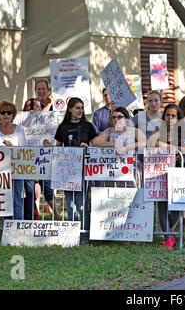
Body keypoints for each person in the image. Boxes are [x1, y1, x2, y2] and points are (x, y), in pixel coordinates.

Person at [149, 104, 185, 248]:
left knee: (178, 206)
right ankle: (168, 238)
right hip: (161, 172)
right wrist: (176, 149)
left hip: (180, 173)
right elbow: (151, 143)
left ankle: (168, 231)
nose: (170, 118)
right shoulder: (158, 130)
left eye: (174, 116)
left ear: (178, 118)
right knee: (162, 205)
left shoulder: (184, 130)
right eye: (168, 115)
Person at [49, 97, 96, 241]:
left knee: (82, 204)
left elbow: (95, 145)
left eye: (82, 108)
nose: (80, 110)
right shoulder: (62, 127)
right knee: (70, 204)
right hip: (66, 171)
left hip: (83, 169)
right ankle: (72, 234)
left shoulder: (88, 126)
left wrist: (88, 147)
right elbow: (57, 148)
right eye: (77, 107)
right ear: (70, 109)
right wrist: (48, 146)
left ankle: (85, 234)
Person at [92, 107, 146, 187]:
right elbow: (96, 142)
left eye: (119, 117)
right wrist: (115, 145)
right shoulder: (110, 130)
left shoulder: (134, 131)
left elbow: (143, 142)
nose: (116, 119)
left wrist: (126, 147)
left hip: (131, 168)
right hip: (114, 168)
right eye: (114, 117)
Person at [33, 80, 60, 218]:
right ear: (35, 90)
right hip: (34, 146)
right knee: (36, 180)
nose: (41, 91)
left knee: (48, 179)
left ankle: (54, 211)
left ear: (48, 89)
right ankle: (36, 210)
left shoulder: (56, 105)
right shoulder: (32, 104)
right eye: (38, 88)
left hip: (51, 146)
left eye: (43, 88)